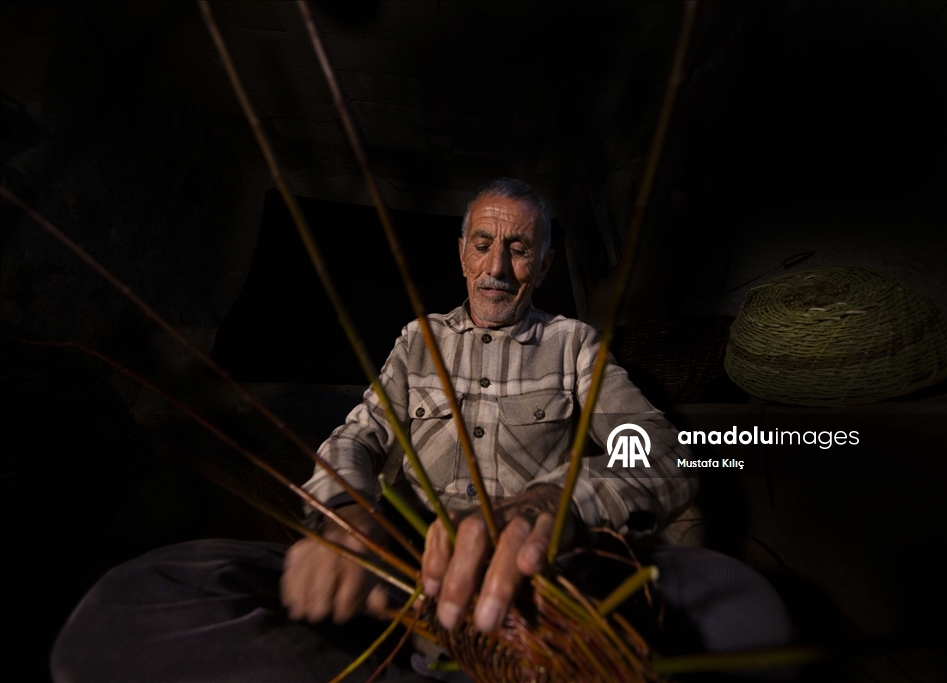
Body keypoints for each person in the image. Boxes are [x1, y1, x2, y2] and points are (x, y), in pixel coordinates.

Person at [51, 179, 792, 682]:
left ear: (545, 262)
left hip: (553, 606)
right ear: (461, 251)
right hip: (400, 603)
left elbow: (653, 452)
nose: (497, 267)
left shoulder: (573, 345)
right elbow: (358, 436)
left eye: (520, 247)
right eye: (482, 243)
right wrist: (349, 518)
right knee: (131, 603)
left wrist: (545, 508)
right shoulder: (418, 343)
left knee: (745, 607)